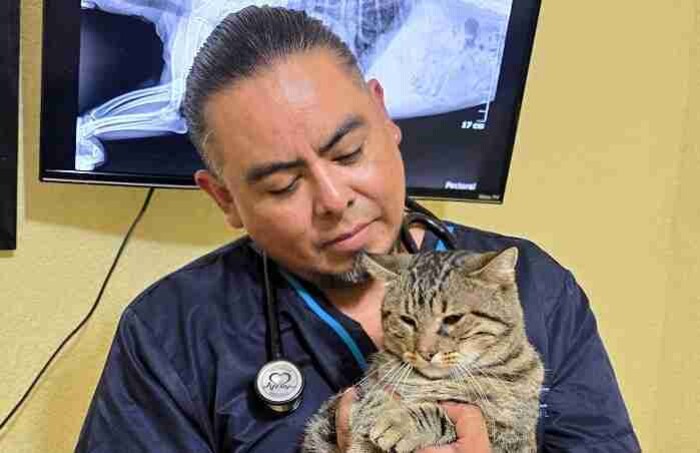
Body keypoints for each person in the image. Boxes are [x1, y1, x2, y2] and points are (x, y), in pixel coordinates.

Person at [74, 6, 641, 453]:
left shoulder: (535, 286)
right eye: (281, 186)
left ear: (384, 117)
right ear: (225, 199)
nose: (334, 200)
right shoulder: (172, 334)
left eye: (348, 152)